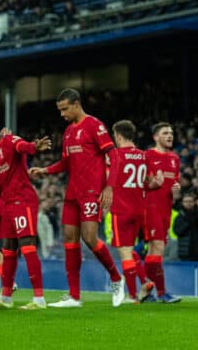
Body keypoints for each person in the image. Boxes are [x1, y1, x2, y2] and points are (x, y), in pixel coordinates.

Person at [29, 88, 124, 308]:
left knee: (89, 238)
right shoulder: (69, 131)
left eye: (64, 109)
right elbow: (65, 163)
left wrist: (109, 188)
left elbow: (114, 156)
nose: (62, 114)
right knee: (69, 240)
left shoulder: (94, 125)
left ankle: (117, 279)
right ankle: (74, 296)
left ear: (76, 104)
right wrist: (46, 170)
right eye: (59, 110)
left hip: (92, 192)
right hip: (72, 193)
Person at [0, 115, 51, 310]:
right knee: (8, 250)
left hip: (23, 201)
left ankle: (39, 299)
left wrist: (36, 147)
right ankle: (6, 297)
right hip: (8, 204)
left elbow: (24, 146)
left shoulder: (11, 141)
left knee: (27, 246)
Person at [110, 120, 156, 304]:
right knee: (129, 249)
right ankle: (144, 282)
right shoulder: (144, 155)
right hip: (138, 209)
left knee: (124, 254)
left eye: (114, 136)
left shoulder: (115, 155)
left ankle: (132, 296)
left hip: (121, 209)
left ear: (119, 136)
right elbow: (149, 181)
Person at [143, 122, 182, 303]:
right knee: (157, 249)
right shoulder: (148, 156)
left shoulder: (175, 159)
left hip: (166, 209)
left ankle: (146, 290)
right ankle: (161, 292)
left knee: (154, 251)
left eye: (171, 133)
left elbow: (173, 184)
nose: (170, 136)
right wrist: (152, 184)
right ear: (156, 137)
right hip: (151, 208)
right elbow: (141, 183)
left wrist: (176, 190)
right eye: (165, 133)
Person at [173, 193, 198, 261]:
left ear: (194, 202)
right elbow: (177, 231)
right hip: (185, 251)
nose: (188, 203)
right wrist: (188, 222)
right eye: (186, 201)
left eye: (190, 201)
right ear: (182, 203)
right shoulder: (180, 216)